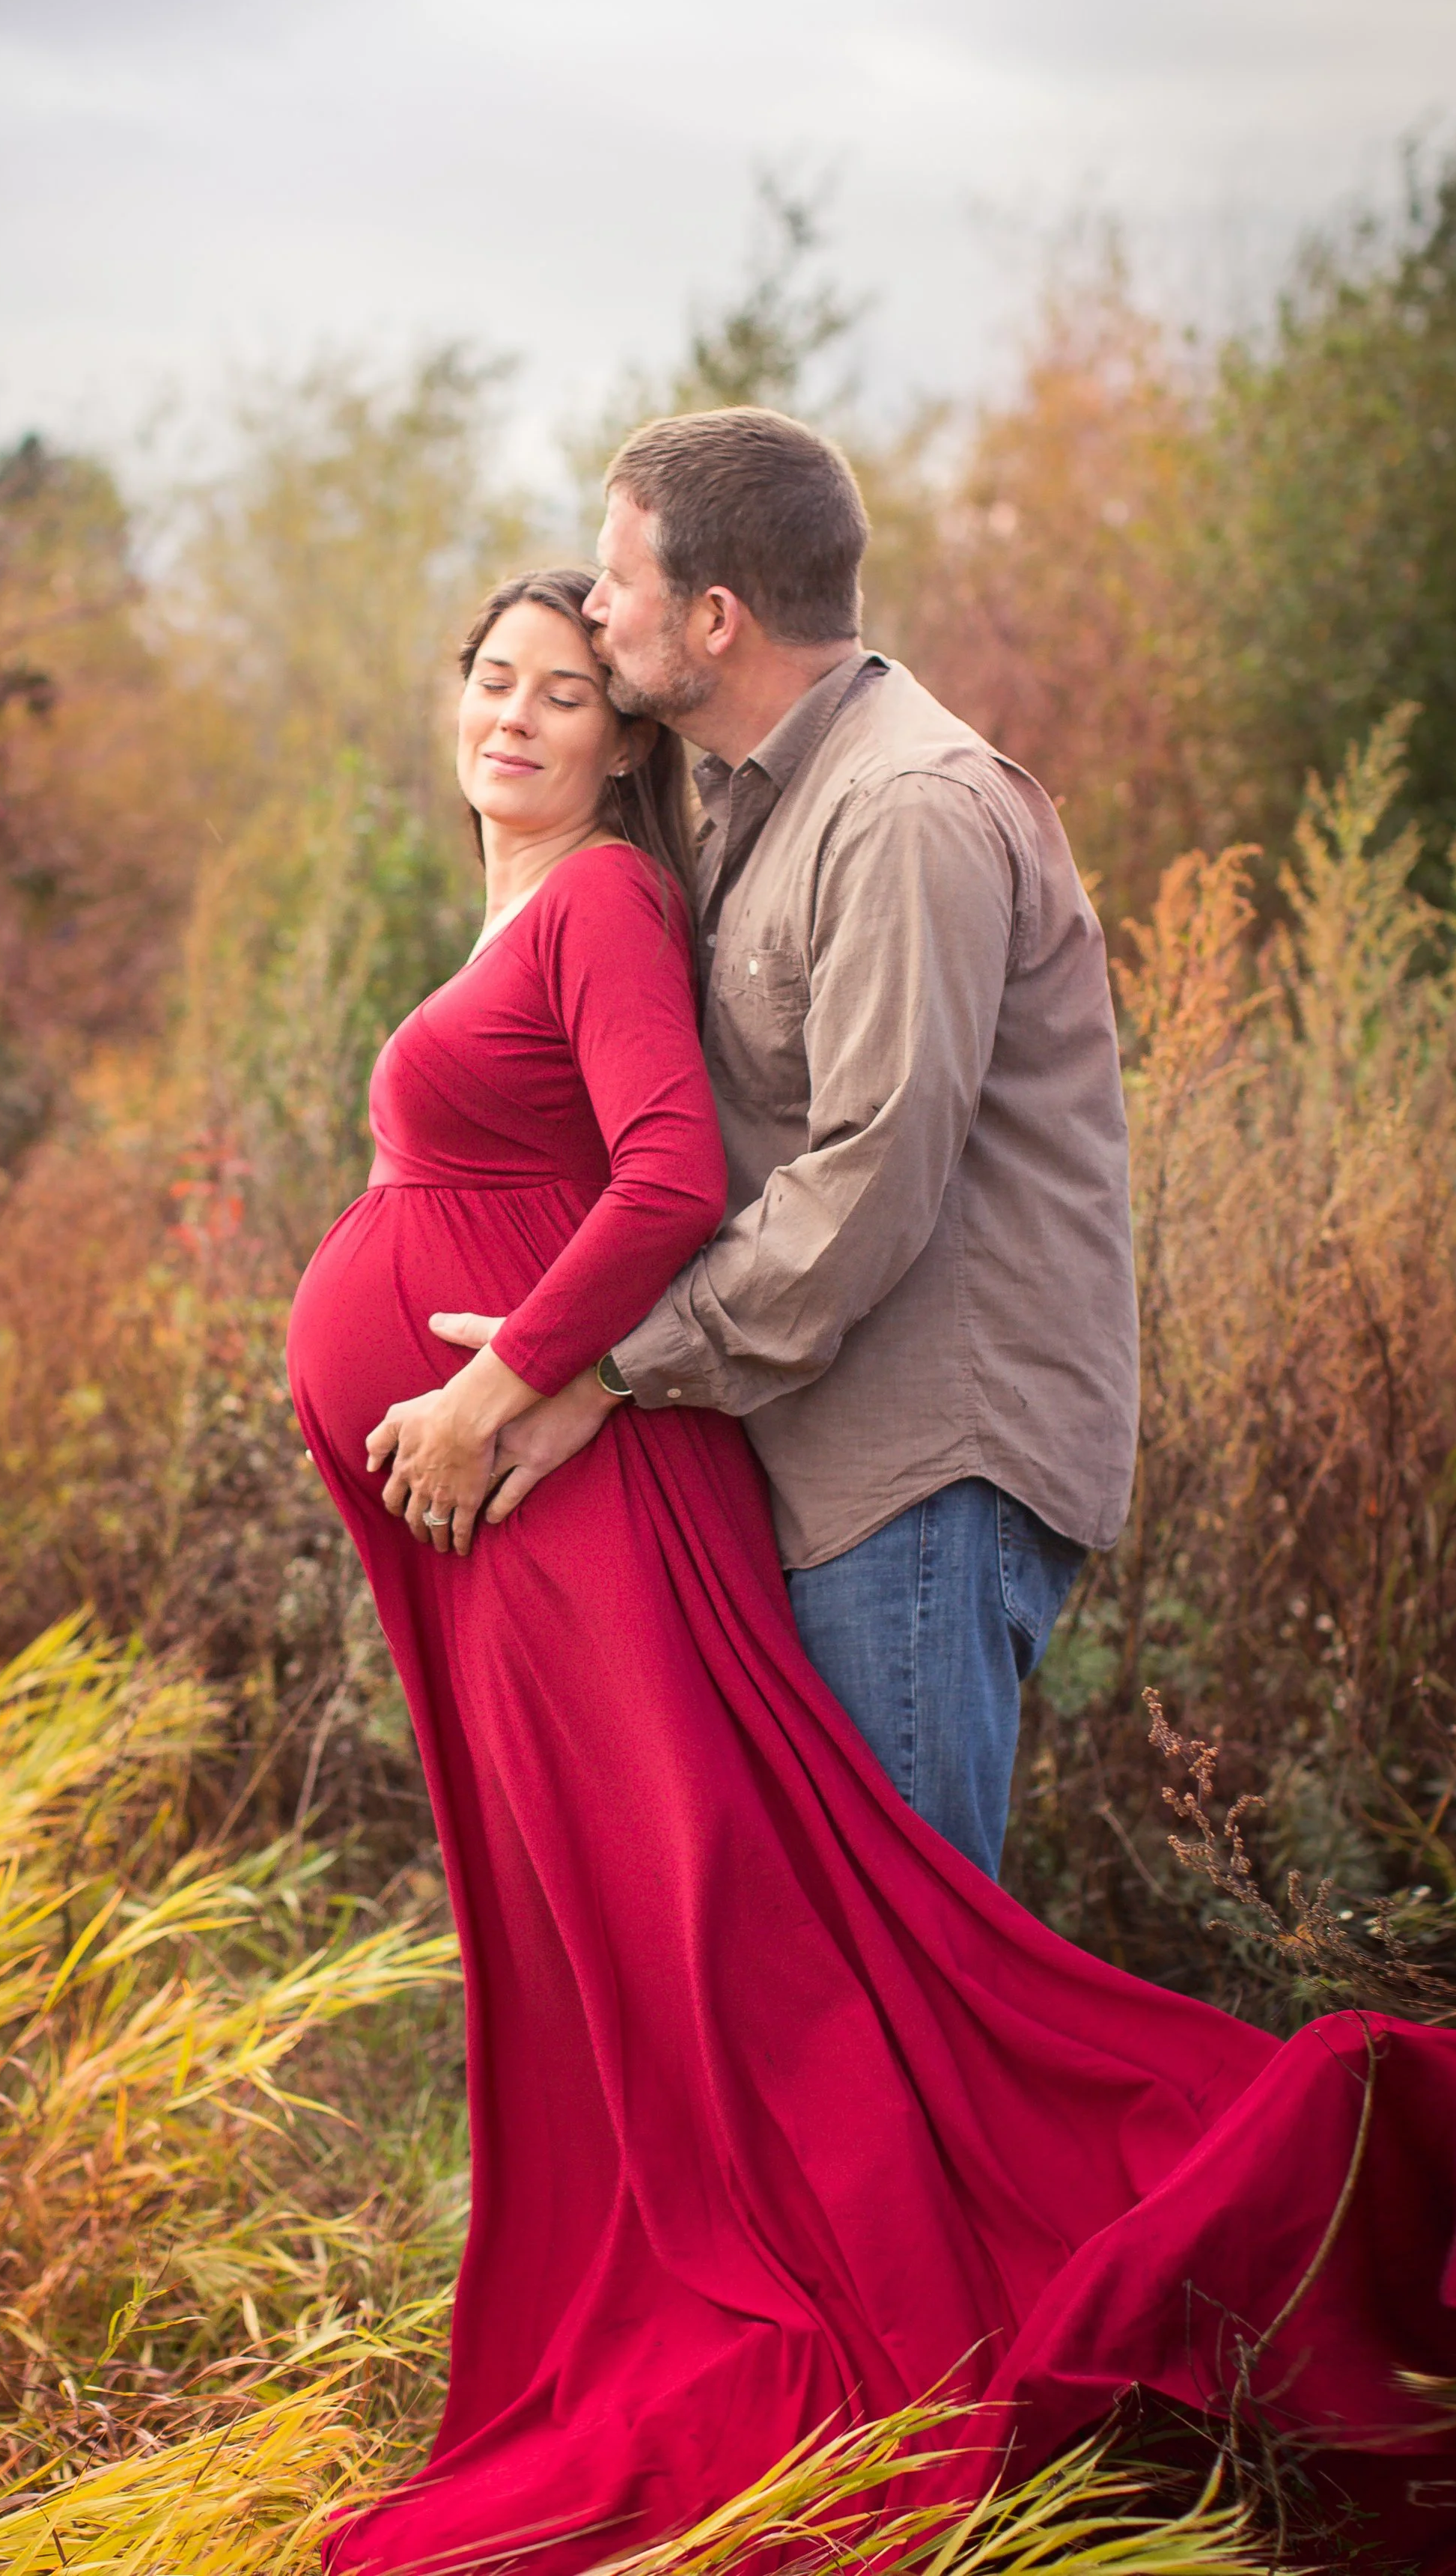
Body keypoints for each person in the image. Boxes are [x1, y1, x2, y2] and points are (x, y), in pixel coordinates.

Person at [287, 558, 1456, 2576]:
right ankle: (841, 2308)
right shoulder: (518, 904)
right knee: (657, 1943)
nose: (512, 714)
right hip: (507, 1523)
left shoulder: (618, 889)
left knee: (760, 1928)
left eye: (558, 686)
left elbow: (670, 1177)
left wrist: (510, 1378)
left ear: (627, 737)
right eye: (489, 681)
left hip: (571, 1494)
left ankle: (996, 2327)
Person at [419, 409, 1135, 1881]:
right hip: (820, 1453)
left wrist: (598, 1372)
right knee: (847, 1959)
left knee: (918, 1958)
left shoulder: (901, 814)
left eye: (615, 587)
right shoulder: (755, 798)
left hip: (922, 1469)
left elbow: (864, 1182)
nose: (595, 610)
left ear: (713, 615)